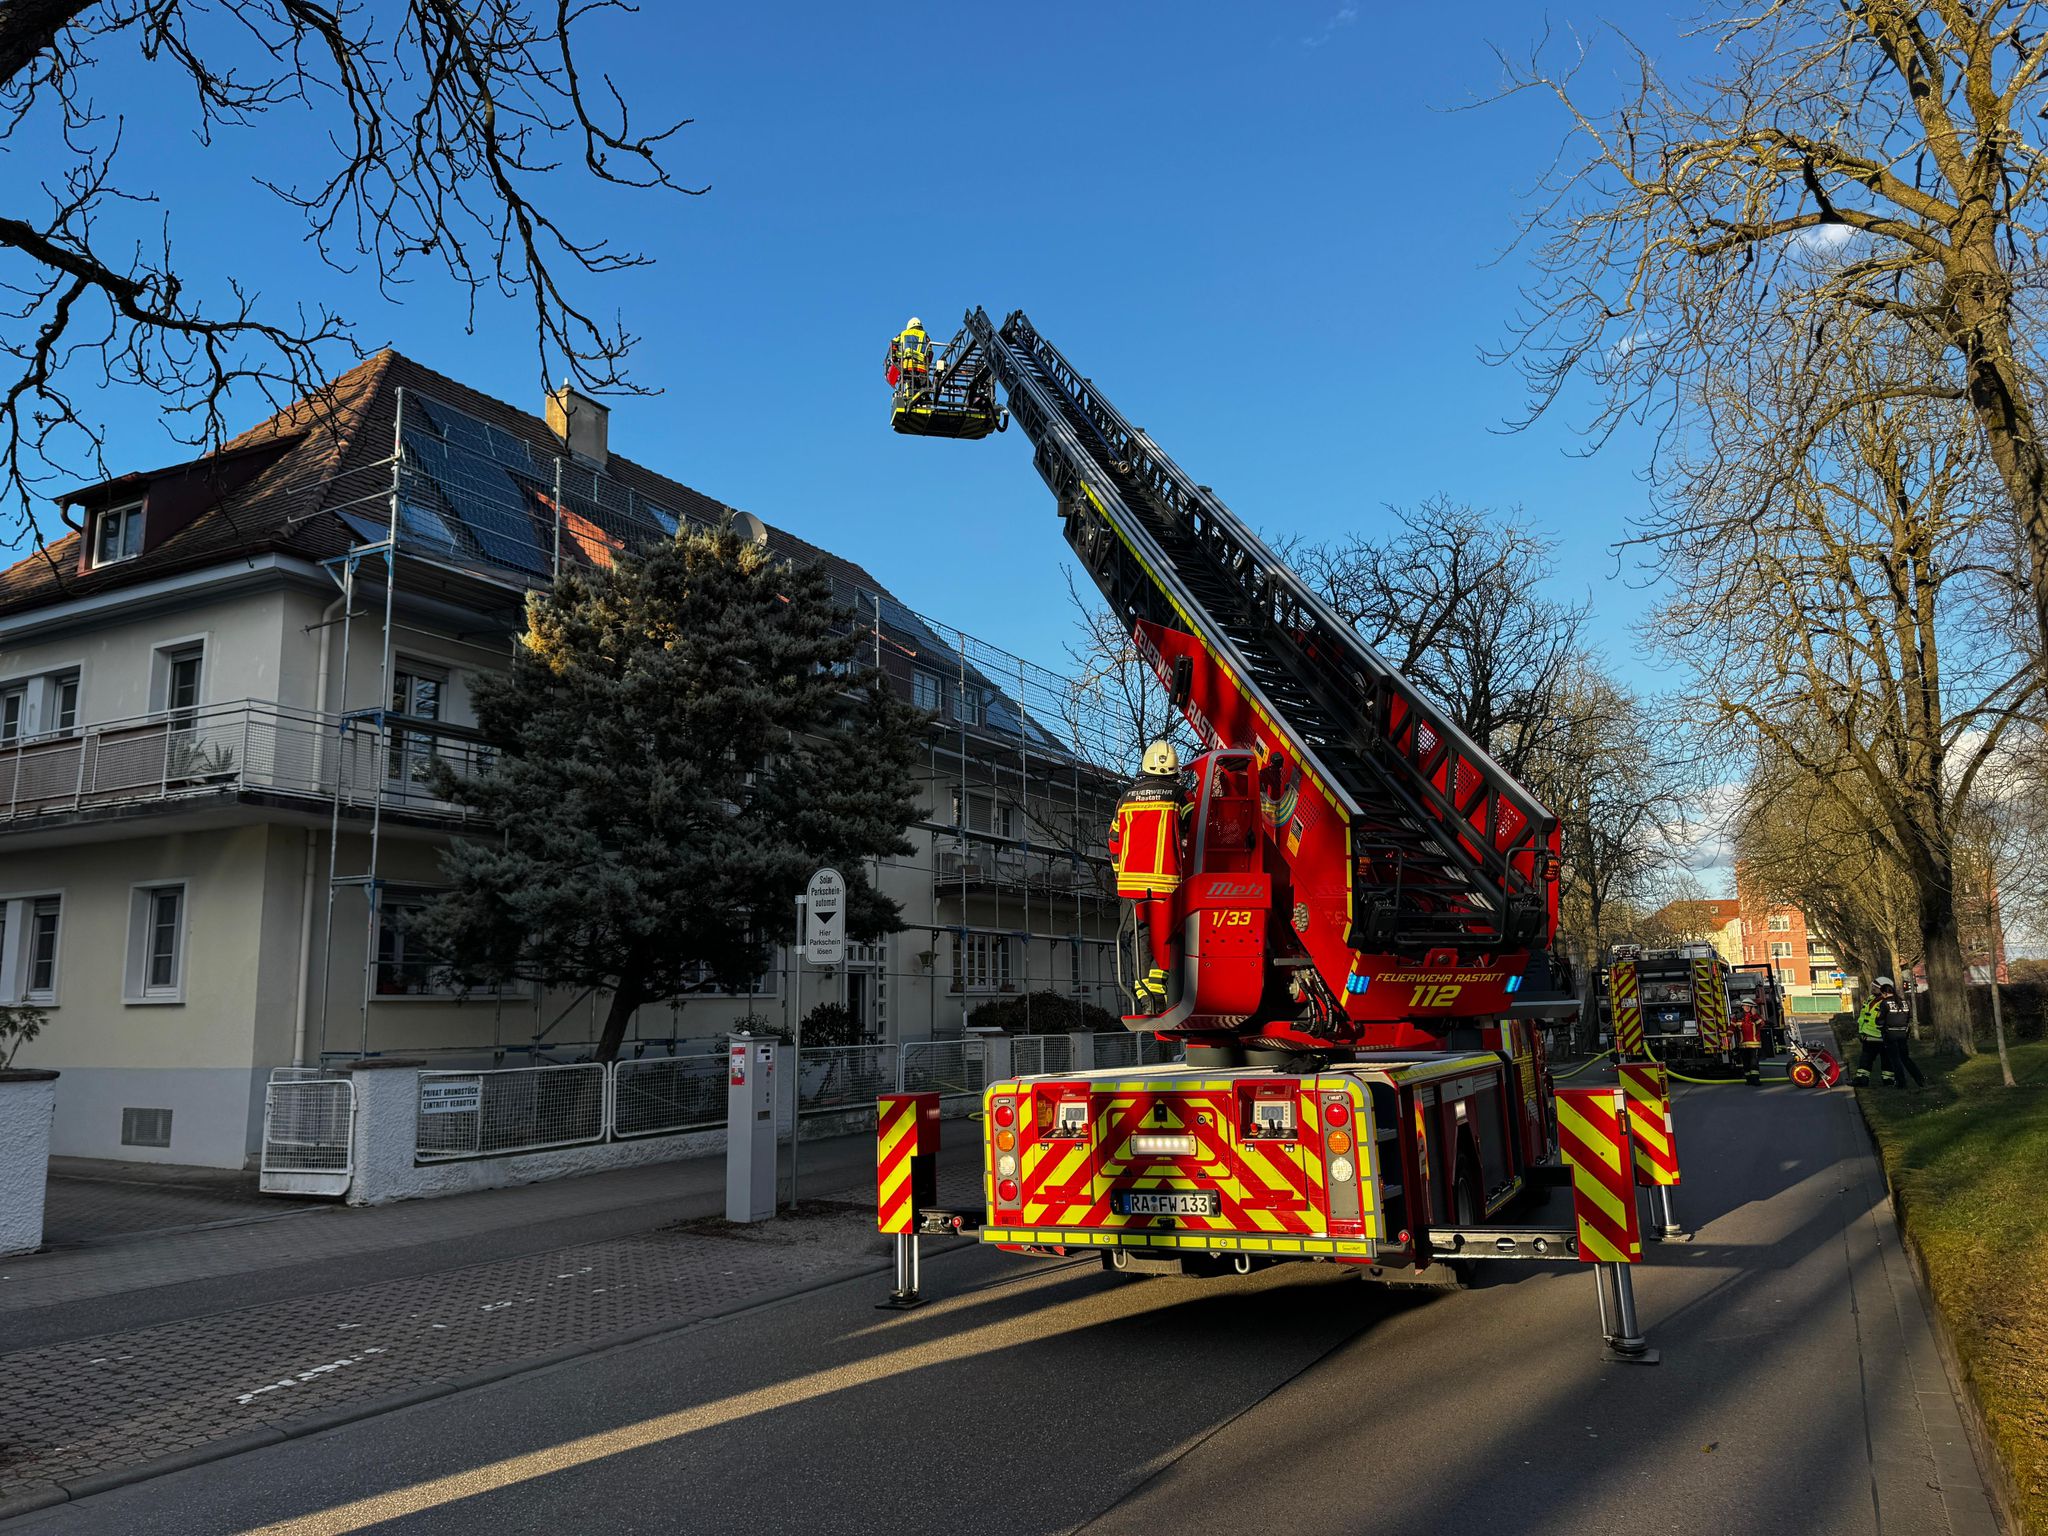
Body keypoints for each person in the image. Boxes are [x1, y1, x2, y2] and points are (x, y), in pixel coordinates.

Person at [1108, 740, 1188, 1011]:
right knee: (1172, 937)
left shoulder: (1125, 799)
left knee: (1138, 939)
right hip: (1167, 884)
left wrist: (1121, 875)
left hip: (1131, 887)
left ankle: (1146, 998)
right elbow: (1195, 833)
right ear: (1174, 770)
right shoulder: (1180, 796)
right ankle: (1157, 987)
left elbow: (1114, 841)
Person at [1878, 980, 1927, 1089]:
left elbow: (1880, 1019)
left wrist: (1881, 1026)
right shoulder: (1904, 1002)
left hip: (1890, 1034)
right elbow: (1908, 1017)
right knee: (1905, 1058)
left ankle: (1901, 1082)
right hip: (1902, 1034)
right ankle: (1919, 1079)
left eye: (1882, 994)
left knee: (1895, 1059)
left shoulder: (1885, 1003)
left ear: (1884, 993)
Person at [1854, 979, 1894, 1086]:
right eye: (1873, 986)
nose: (1873, 988)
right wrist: (1862, 1032)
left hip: (1882, 1036)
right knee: (1865, 1059)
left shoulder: (1889, 1002)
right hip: (1869, 1036)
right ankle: (1862, 1079)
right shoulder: (1870, 999)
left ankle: (1888, 1080)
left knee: (1887, 1059)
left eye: (1875, 987)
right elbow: (1863, 1016)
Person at [886, 317, 932, 393]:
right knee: (925, 388)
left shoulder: (903, 334)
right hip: (922, 367)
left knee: (909, 388)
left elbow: (893, 343)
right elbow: (930, 352)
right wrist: (927, 363)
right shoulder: (925, 335)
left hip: (907, 366)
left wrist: (894, 357)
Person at [1735, 1001, 1763, 1084]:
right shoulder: (1738, 1017)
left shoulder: (1755, 1016)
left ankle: (1755, 1080)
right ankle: (1748, 1080)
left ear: (1751, 1008)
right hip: (1743, 1045)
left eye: (1749, 1006)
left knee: (1754, 1063)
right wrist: (1728, 1037)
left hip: (1754, 1045)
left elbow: (1762, 1024)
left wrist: (1754, 1015)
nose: (1747, 1007)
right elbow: (1732, 1027)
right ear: (1742, 1007)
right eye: (1745, 1006)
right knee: (1746, 1062)